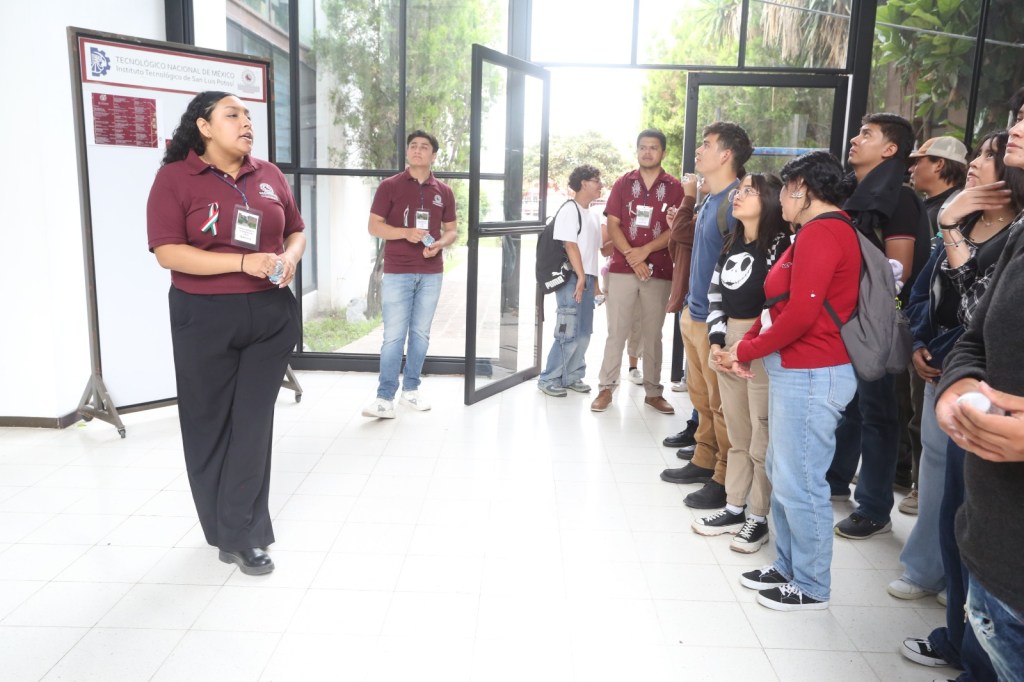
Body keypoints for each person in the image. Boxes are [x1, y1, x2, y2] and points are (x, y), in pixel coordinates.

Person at [147, 91, 305, 575]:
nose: (246, 123)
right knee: (208, 423)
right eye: (232, 114)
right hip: (204, 316)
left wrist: (290, 260)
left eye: (249, 116)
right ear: (205, 127)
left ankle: (244, 535)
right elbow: (168, 252)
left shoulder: (270, 175)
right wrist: (243, 261)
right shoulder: (176, 178)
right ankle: (220, 526)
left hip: (270, 315)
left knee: (254, 425)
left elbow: (296, 229)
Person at [900, 130, 1023, 679]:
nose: (974, 162)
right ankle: (960, 637)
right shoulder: (1010, 233)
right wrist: (952, 370)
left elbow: (973, 299)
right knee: (953, 506)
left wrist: (949, 225)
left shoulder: (999, 231)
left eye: (987, 156)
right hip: (962, 394)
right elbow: (958, 310)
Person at [717, 151, 859, 610]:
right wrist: (750, 344)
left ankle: (812, 584)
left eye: (785, 188)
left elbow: (801, 315)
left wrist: (747, 349)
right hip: (795, 368)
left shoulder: (825, 232)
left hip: (814, 371)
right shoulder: (810, 233)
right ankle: (787, 566)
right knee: (783, 470)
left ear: (803, 189)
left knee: (801, 482)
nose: (780, 197)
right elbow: (778, 307)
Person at [829, 113, 932, 539]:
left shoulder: (900, 199)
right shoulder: (850, 192)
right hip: (846, 315)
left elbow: (899, 269)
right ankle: (836, 480)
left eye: (866, 135)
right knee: (850, 405)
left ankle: (874, 506)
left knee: (878, 411)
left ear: (891, 150)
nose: (855, 139)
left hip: (877, 318)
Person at [691, 173, 789, 553]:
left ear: (768, 200)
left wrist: (744, 347)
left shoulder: (781, 244)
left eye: (749, 190)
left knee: (761, 434)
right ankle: (734, 506)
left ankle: (758, 517)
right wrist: (718, 342)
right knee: (737, 431)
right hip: (729, 337)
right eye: (740, 189)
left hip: (762, 341)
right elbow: (715, 294)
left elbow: (779, 305)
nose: (739, 195)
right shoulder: (732, 241)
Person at [660, 122, 752, 510]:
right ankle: (703, 458)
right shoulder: (710, 199)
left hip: (718, 321)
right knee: (701, 398)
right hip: (692, 312)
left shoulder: (737, 201)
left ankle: (723, 478)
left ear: (726, 155)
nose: (699, 150)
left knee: (723, 405)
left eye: (707, 144)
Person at [362, 130, 458, 419]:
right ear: (407, 153)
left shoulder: (444, 191)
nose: (417, 150)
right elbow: (374, 227)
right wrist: (405, 233)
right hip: (397, 271)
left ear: (433, 155)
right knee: (393, 336)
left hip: (431, 272)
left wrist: (440, 243)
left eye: (424, 146)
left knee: (420, 334)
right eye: (413, 146)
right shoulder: (389, 186)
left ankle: (411, 390)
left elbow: (452, 230)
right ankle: (384, 398)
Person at [900, 135, 970, 515]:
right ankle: (912, 479)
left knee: (921, 415)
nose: (913, 168)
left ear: (941, 165)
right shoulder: (924, 207)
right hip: (922, 328)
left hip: (953, 346)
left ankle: (918, 486)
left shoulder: (957, 213)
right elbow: (924, 286)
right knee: (912, 411)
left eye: (920, 161)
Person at [591, 129, 683, 414]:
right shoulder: (622, 183)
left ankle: (654, 392)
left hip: (660, 270)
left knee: (653, 333)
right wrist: (634, 257)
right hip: (621, 269)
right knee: (616, 331)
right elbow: (614, 225)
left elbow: (675, 229)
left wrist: (645, 251)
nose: (647, 152)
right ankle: (606, 388)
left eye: (653, 148)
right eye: (642, 147)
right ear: (637, 151)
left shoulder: (675, 188)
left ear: (663, 152)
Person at [537, 165, 603, 396]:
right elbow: (570, 244)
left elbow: (592, 252)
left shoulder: (592, 216)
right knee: (568, 331)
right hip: (571, 279)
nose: (600, 184)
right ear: (583, 183)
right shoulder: (569, 209)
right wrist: (582, 276)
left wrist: (594, 283)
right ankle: (549, 378)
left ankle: (572, 375)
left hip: (586, 278)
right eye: (596, 180)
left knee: (584, 332)